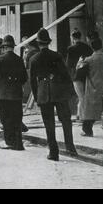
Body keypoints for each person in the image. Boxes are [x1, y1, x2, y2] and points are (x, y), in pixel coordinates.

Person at [30, 28, 78, 161]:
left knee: (49, 123)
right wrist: (70, 91)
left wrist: (36, 97)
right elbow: (65, 74)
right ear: (48, 42)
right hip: (59, 91)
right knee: (66, 120)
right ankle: (70, 147)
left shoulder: (34, 59)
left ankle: (53, 152)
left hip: (44, 92)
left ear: (38, 43)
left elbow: (32, 81)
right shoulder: (57, 56)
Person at [0, 35, 28, 151]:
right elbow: (24, 77)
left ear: (4, 47)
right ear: (13, 46)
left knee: (5, 118)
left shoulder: (0, 59)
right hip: (16, 93)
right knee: (17, 118)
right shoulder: (19, 59)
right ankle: (18, 143)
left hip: (3, 94)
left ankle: (9, 142)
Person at [77, 38, 103, 137]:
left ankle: (87, 131)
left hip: (94, 87)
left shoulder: (89, 60)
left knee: (90, 111)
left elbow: (79, 72)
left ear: (92, 47)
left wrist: (80, 62)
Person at [66, 29, 94, 121]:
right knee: (84, 96)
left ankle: (82, 116)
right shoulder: (87, 47)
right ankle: (79, 114)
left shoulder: (71, 49)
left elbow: (68, 65)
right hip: (87, 74)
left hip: (76, 75)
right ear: (80, 37)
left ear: (72, 38)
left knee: (81, 96)